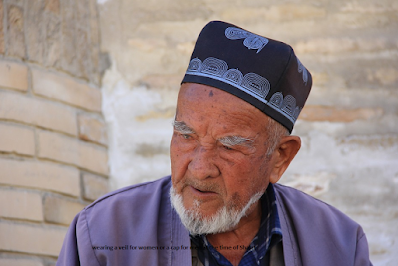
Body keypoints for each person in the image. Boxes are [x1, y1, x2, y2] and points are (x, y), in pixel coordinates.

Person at [56, 21, 372, 266]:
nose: (200, 167)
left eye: (229, 146)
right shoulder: (101, 235)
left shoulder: (340, 245)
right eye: (186, 134)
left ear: (280, 157)